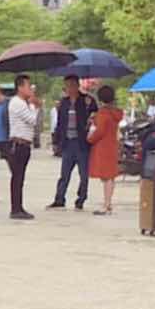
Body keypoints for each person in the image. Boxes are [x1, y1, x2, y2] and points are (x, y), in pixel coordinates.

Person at [49, 74, 98, 210]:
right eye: (67, 86)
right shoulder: (63, 103)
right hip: (68, 142)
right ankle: (59, 198)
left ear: (77, 86)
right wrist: (56, 141)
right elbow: (60, 123)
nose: (69, 89)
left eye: (71, 85)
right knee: (64, 174)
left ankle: (81, 199)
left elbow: (95, 116)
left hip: (82, 142)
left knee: (83, 174)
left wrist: (91, 115)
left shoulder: (87, 101)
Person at [86, 84, 123, 215]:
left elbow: (99, 131)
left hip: (102, 147)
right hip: (112, 145)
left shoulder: (103, 113)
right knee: (110, 177)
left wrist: (89, 138)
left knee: (106, 177)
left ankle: (106, 205)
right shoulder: (116, 113)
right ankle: (109, 203)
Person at [6, 74, 38, 220]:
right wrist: (33, 105)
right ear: (20, 87)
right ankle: (15, 208)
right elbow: (33, 120)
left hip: (24, 144)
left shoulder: (22, 103)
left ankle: (18, 206)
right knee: (17, 177)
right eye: (27, 86)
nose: (30, 89)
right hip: (18, 144)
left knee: (19, 178)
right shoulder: (17, 103)